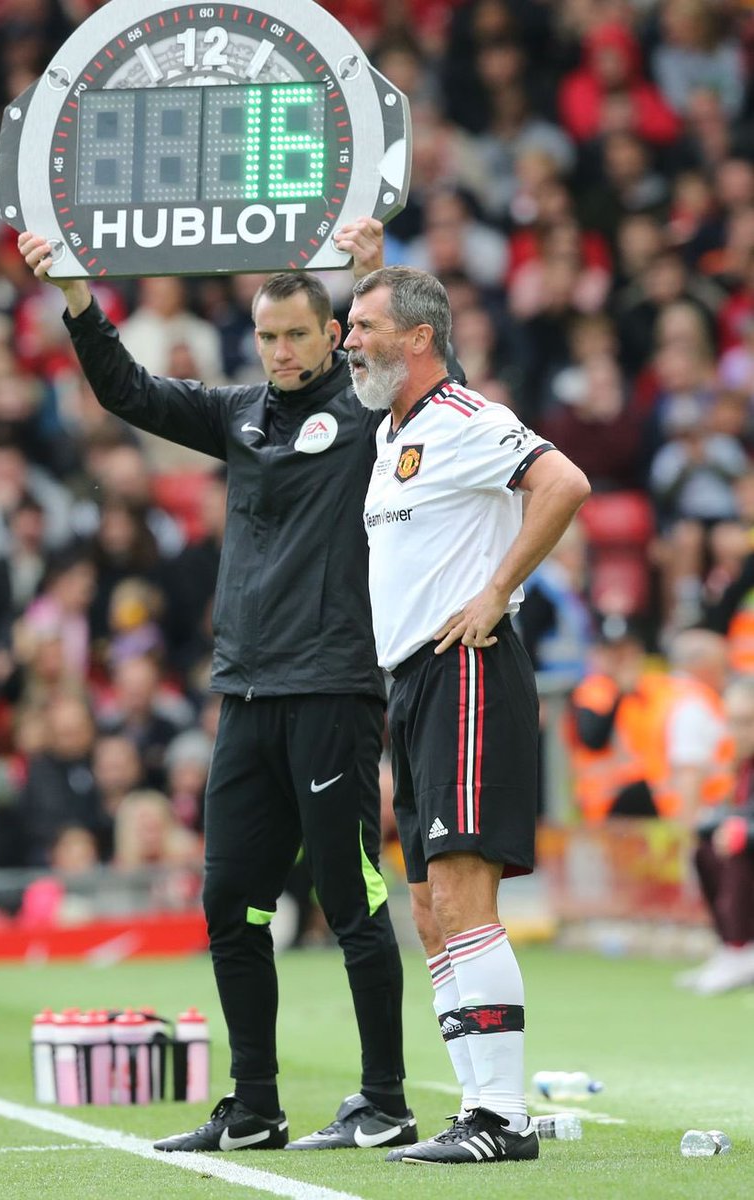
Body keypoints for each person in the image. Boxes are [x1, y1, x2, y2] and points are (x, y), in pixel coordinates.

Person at [17, 221, 416, 1153]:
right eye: (267, 335)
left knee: (350, 897)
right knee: (230, 903)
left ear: (334, 338)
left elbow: (432, 367)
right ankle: (254, 1105)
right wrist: (77, 296)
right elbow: (128, 391)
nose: (280, 351)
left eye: (297, 336)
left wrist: (374, 272)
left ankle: (386, 1099)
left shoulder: (370, 413)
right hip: (242, 697)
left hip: (331, 691)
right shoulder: (238, 413)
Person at [344, 266, 590, 1164]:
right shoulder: (390, 434)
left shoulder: (464, 417)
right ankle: (478, 1104)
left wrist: (497, 590)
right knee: (427, 905)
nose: (348, 338)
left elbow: (563, 482)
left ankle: (501, 1118)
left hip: (467, 670)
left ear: (418, 337)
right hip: (412, 681)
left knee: (460, 892)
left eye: (363, 324)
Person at [678, 675, 754, 995]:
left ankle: (742, 949)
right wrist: (708, 823)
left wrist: (744, 831)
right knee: (707, 847)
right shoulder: (742, 765)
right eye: (733, 722)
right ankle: (732, 948)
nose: (737, 732)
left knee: (736, 844)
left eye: (747, 722)